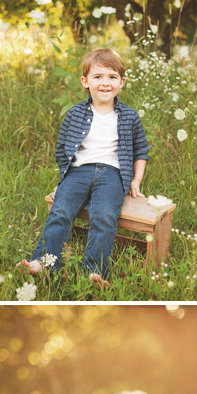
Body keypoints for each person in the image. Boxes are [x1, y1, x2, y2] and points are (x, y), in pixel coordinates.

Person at [20, 47, 149, 288]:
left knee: (104, 216)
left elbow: (141, 151)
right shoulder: (75, 113)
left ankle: (94, 271)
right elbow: (62, 150)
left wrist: (135, 181)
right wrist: (63, 181)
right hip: (78, 172)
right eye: (98, 77)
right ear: (85, 82)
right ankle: (45, 262)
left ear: (121, 82)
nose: (105, 83)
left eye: (112, 77)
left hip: (113, 175)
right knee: (60, 212)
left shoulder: (129, 116)